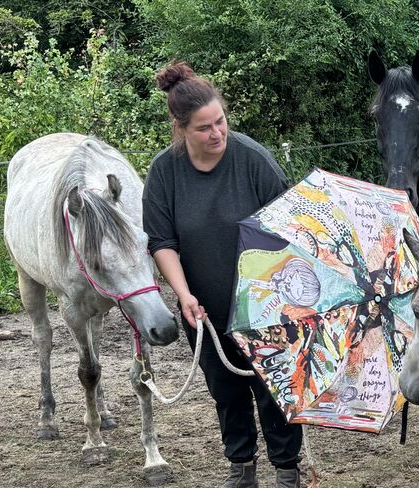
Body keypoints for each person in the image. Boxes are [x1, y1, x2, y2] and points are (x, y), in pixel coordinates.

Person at [142, 61, 303, 488]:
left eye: (221, 122)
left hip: (264, 307)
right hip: (204, 310)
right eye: (204, 128)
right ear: (180, 129)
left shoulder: (253, 160)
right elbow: (162, 242)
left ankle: (287, 471)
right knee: (227, 394)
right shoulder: (164, 173)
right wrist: (184, 295)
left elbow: (288, 230)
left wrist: (276, 293)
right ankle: (242, 469)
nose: (217, 134)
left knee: (272, 392)